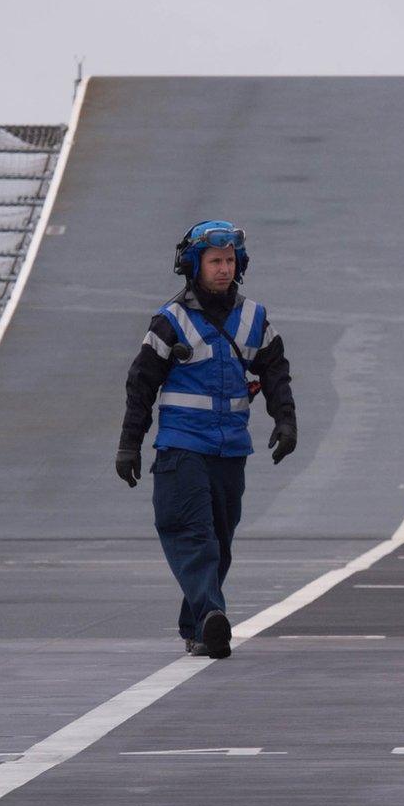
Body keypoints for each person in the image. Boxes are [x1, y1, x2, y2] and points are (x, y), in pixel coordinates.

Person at [117, 221, 297, 659]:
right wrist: (129, 444)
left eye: (230, 261)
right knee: (192, 535)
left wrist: (286, 420)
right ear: (193, 266)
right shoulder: (170, 321)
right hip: (181, 447)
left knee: (219, 543)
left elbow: (275, 371)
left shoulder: (254, 318)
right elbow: (141, 386)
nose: (223, 269)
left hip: (230, 450)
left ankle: (198, 627)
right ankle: (214, 615)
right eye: (215, 261)